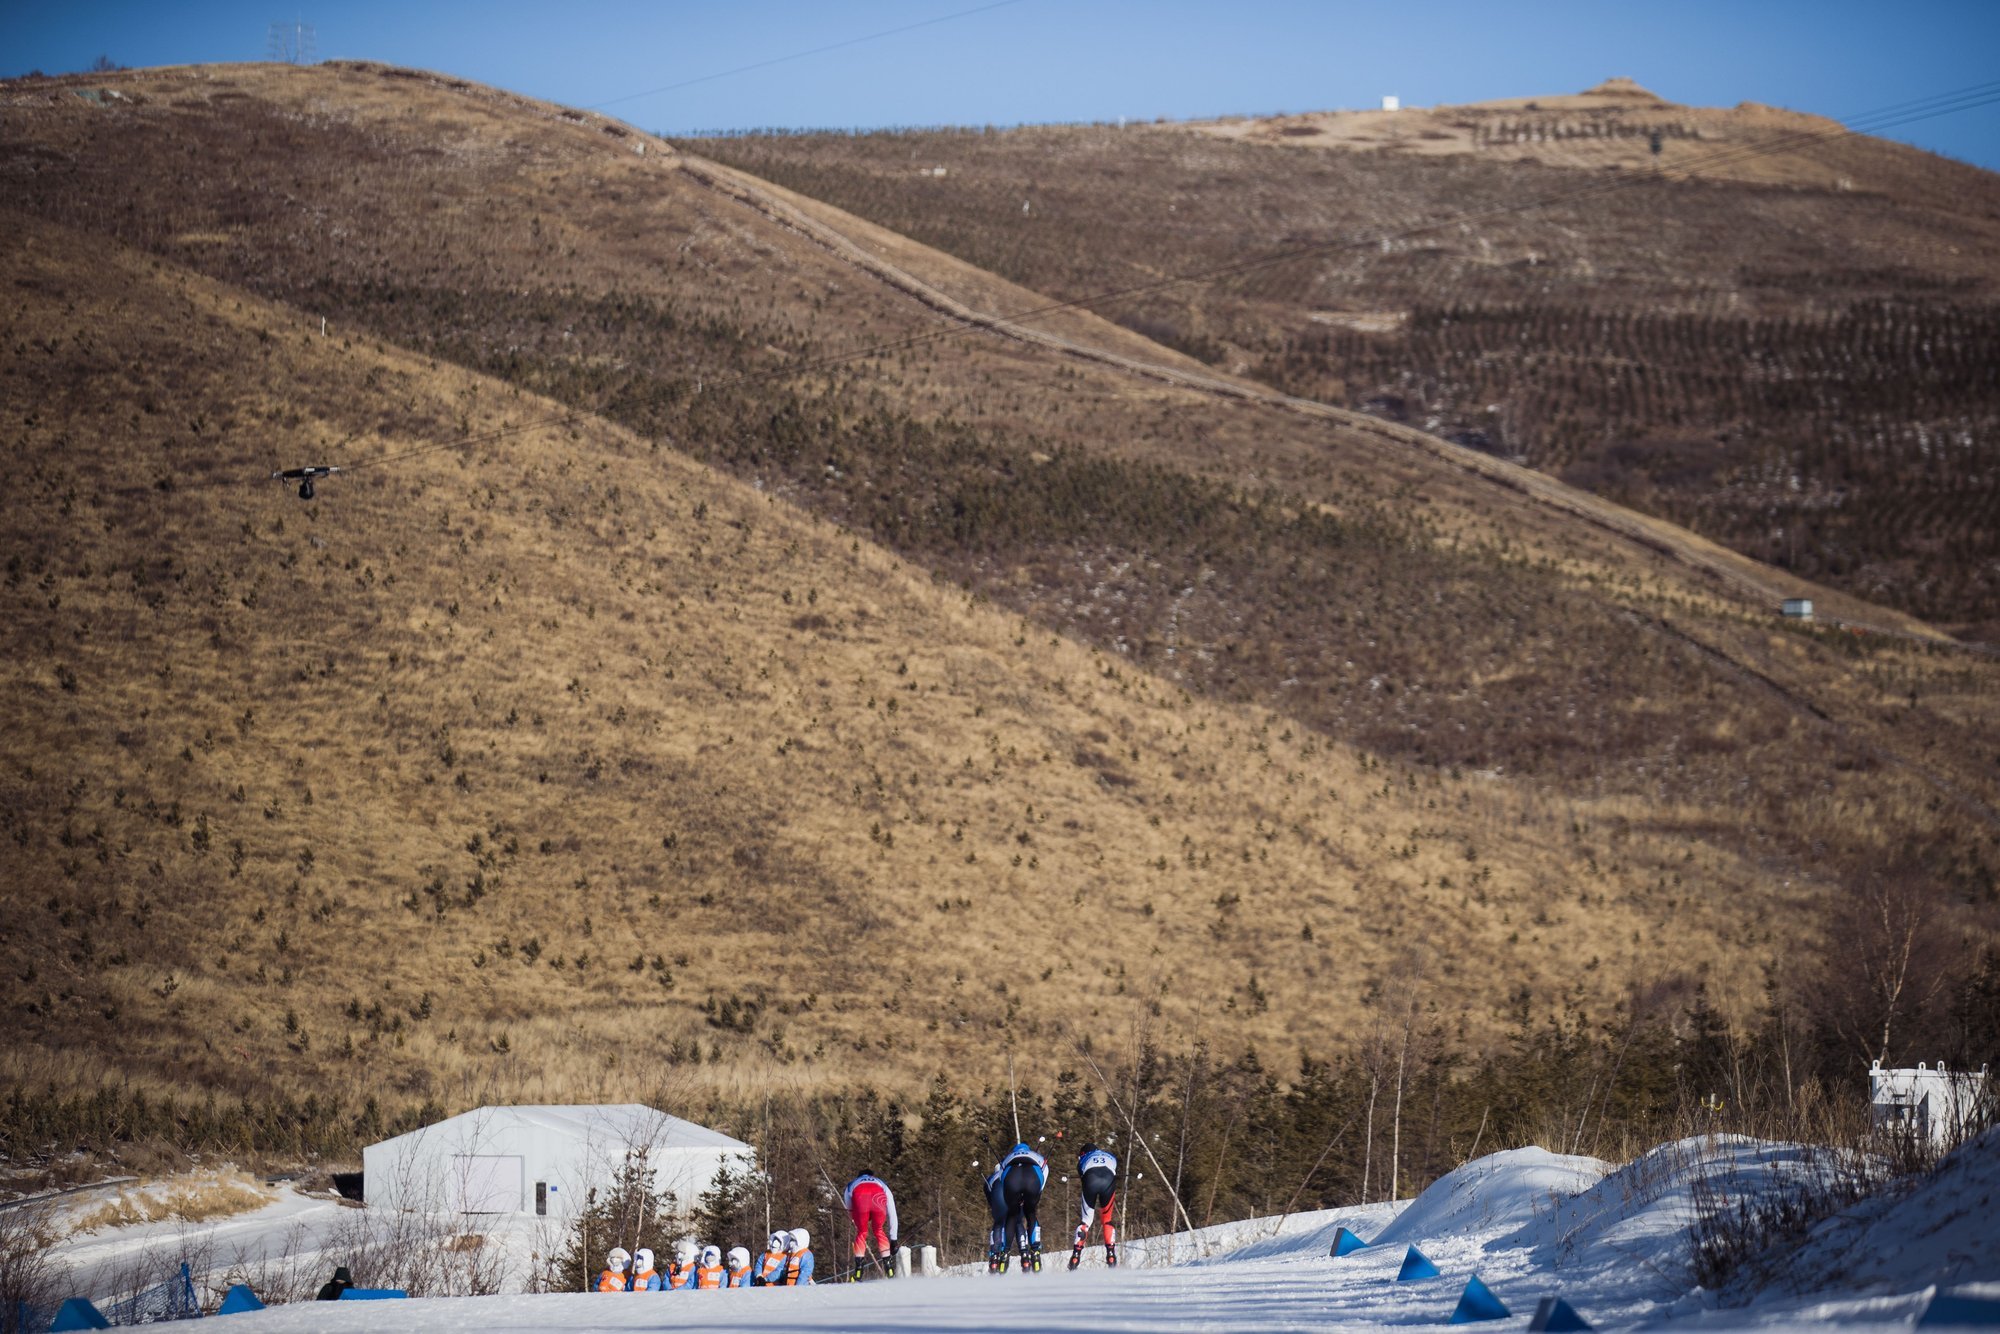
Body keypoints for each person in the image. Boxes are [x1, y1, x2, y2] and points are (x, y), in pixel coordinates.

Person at [985, 1141, 1048, 1273]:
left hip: (1011, 1178)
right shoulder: (1035, 1155)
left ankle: (1004, 1254)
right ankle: (1035, 1252)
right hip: (1033, 1178)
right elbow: (1044, 1173)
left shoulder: (1008, 1157)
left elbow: (1002, 1178)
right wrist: (1034, 1195)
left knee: (1012, 1215)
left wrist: (1015, 1198)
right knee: (1030, 1214)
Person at [1069, 1142, 1119, 1269]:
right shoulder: (1109, 1155)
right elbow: (1115, 1167)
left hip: (1091, 1180)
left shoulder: (1083, 1158)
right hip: (1108, 1180)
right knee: (1107, 1220)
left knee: (1086, 1221)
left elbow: (1082, 1175)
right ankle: (1111, 1255)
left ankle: (1075, 1256)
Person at [843, 1170, 900, 1278]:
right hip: (878, 1199)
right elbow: (892, 1213)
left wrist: (861, 1218)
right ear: (871, 1176)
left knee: (862, 1232)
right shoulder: (880, 1182)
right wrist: (894, 1239)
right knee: (878, 1230)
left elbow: (850, 1211)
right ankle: (889, 1268)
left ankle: (858, 1270)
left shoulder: (851, 1184)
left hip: (860, 1199)